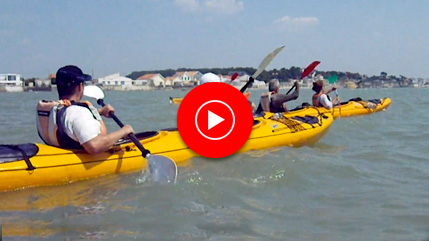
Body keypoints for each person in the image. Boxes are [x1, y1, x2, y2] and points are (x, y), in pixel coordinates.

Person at [36, 65, 134, 154]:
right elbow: (94, 146)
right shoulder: (78, 113)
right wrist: (124, 131)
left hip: (62, 152)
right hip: (81, 161)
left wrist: (99, 112)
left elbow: (69, 123)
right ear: (80, 87)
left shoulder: (53, 109)